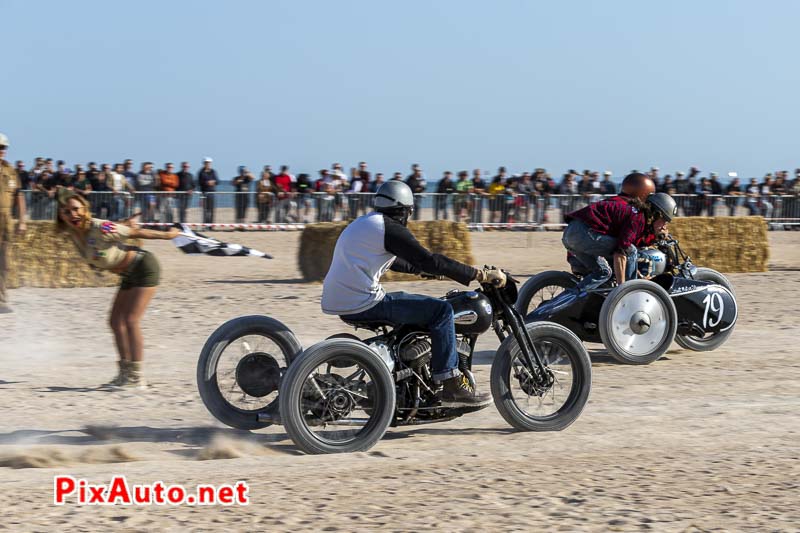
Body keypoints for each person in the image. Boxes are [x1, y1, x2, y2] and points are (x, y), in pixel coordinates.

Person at [321, 181, 504, 407]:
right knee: (441, 310)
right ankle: (450, 382)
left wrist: (426, 272)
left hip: (337, 299)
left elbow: (396, 261)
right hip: (365, 302)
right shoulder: (390, 228)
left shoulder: (366, 223)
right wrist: (479, 274)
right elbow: (430, 259)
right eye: (409, 211)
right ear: (404, 209)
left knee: (411, 306)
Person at [55, 189, 180, 387]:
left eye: (75, 209)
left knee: (131, 320)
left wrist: (169, 235)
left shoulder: (99, 226)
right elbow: (105, 244)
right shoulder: (74, 234)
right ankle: (125, 374)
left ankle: (137, 377)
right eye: (66, 212)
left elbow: (137, 233)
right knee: (114, 322)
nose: (73, 215)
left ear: (84, 209)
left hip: (143, 266)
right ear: (61, 215)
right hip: (127, 274)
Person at [562, 172, 674, 290]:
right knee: (630, 250)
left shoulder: (621, 203)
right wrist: (622, 288)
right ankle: (631, 291)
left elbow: (628, 237)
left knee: (603, 272)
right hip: (583, 234)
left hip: (570, 234)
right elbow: (621, 251)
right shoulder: (636, 214)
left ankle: (572, 296)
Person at [0, 134, 27, 314]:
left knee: (3, 262)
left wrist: (22, 220)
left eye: (3, 148)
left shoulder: (11, 172)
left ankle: (1, 300)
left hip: (5, 224)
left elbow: (19, 196)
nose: (1, 151)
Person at [198, 157, 218, 225]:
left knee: (211, 210)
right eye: (206, 163)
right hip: (204, 193)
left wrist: (213, 182)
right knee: (205, 210)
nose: (208, 164)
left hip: (211, 193)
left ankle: (211, 225)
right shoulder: (201, 172)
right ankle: (205, 225)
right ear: (204, 163)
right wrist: (207, 183)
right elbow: (199, 182)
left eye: (209, 163)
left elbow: (218, 181)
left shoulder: (213, 171)